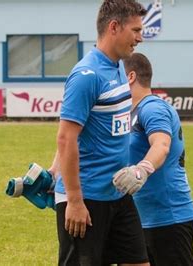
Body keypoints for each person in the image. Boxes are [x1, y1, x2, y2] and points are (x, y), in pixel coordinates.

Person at [47, 1, 148, 265]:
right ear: (114, 27)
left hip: (117, 193)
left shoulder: (117, 66)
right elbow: (66, 137)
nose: (140, 37)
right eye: (136, 30)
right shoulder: (86, 75)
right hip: (87, 198)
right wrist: (75, 201)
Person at [113, 53, 193, 266]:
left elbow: (161, 145)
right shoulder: (130, 111)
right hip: (141, 218)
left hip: (168, 218)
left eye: (116, 74)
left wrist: (142, 169)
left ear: (130, 77)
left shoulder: (152, 107)